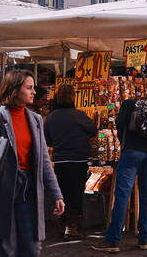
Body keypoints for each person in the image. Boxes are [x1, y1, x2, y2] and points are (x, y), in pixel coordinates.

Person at [0, 69, 64, 257]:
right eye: (29, 87)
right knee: (5, 249)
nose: (34, 92)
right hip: (1, 190)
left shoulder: (35, 120)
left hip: (29, 191)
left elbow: (44, 162)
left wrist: (56, 195)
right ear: (13, 90)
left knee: (31, 248)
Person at [92, 99, 147, 253]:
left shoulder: (128, 104)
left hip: (131, 153)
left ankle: (113, 240)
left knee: (122, 195)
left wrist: (124, 142)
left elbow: (120, 122)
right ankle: (144, 239)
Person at [44, 83, 98, 239]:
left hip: (61, 160)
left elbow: (48, 140)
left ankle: (64, 222)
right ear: (73, 97)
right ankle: (71, 226)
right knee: (76, 192)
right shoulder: (79, 115)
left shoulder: (51, 117)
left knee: (63, 191)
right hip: (78, 159)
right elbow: (93, 131)